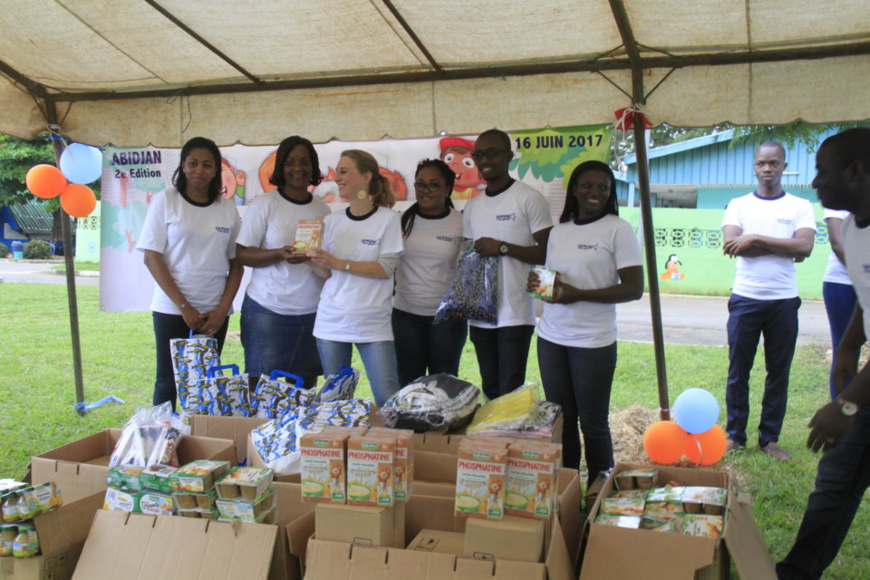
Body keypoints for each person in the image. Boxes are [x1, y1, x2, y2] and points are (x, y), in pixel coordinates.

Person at [776, 127, 870, 580]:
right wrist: (849, 345)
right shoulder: (854, 229)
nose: (814, 182)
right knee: (837, 479)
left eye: (822, 171)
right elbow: (866, 298)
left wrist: (847, 402)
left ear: (854, 171)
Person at [528, 160, 643, 485]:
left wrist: (578, 294)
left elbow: (634, 288)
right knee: (562, 420)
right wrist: (541, 285)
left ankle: (598, 488)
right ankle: (567, 487)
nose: (595, 192)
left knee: (592, 423)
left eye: (603, 187)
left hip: (593, 342)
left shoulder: (618, 229)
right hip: (551, 339)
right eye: (588, 186)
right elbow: (545, 282)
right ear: (574, 190)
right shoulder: (559, 232)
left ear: (610, 193)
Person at [721, 140, 816, 461]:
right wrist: (784, 246)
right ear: (754, 166)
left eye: (774, 163)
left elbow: (804, 248)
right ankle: (735, 435)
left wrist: (756, 237)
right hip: (746, 298)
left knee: (779, 371)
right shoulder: (738, 204)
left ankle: (769, 439)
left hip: (784, 301)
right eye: (762, 163)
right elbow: (732, 245)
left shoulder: (800, 206)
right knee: (739, 370)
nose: (767, 169)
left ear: (784, 166)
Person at [137, 136, 243, 409]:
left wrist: (221, 311)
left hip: (213, 313)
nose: (200, 170)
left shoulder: (227, 209)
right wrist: (183, 307)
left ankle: (201, 441)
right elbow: (152, 257)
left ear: (216, 170)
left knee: (206, 383)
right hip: (172, 309)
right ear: (183, 166)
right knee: (167, 382)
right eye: (193, 163)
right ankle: (161, 443)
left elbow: (236, 264)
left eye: (207, 165)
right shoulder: (167, 200)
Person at [462, 129, 553, 400]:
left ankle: (508, 440)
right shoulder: (474, 206)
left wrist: (502, 248)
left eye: (492, 153)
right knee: (490, 388)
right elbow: (470, 260)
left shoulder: (529, 198)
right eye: (479, 155)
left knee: (510, 391)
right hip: (481, 316)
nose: (485, 160)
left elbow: (549, 253)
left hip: (516, 313)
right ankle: (492, 443)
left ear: (509, 157)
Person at [309, 150, 403, 406]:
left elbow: (385, 269)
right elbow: (326, 273)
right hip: (332, 321)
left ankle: (391, 446)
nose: (337, 177)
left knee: (387, 397)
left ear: (366, 177)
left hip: (373, 323)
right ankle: (338, 445)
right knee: (334, 401)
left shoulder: (388, 220)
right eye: (337, 171)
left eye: (343, 171)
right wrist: (311, 258)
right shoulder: (331, 220)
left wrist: (338, 262)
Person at [235, 136, 330, 389]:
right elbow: (242, 253)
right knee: (262, 389)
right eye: (289, 162)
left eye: (304, 162)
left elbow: (329, 262)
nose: (297, 168)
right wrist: (279, 254)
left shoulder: (323, 211)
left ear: (313, 167)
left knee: (304, 389)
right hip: (267, 310)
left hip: (311, 313)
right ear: (280, 168)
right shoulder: (265, 204)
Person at [392, 159, 466, 386]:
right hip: (405, 315)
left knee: (443, 385)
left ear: (447, 188)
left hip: (447, 318)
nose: (426, 190)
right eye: (420, 184)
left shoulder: (461, 222)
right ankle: (410, 424)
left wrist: (462, 301)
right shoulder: (399, 221)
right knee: (408, 385)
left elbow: (468, 268)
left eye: (434, 185)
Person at [821, 208, 858, 399]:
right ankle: (843, 410)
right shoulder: (842, 199)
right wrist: (863, 275)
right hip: (842, 284)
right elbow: (837, 243)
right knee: (845, 349)